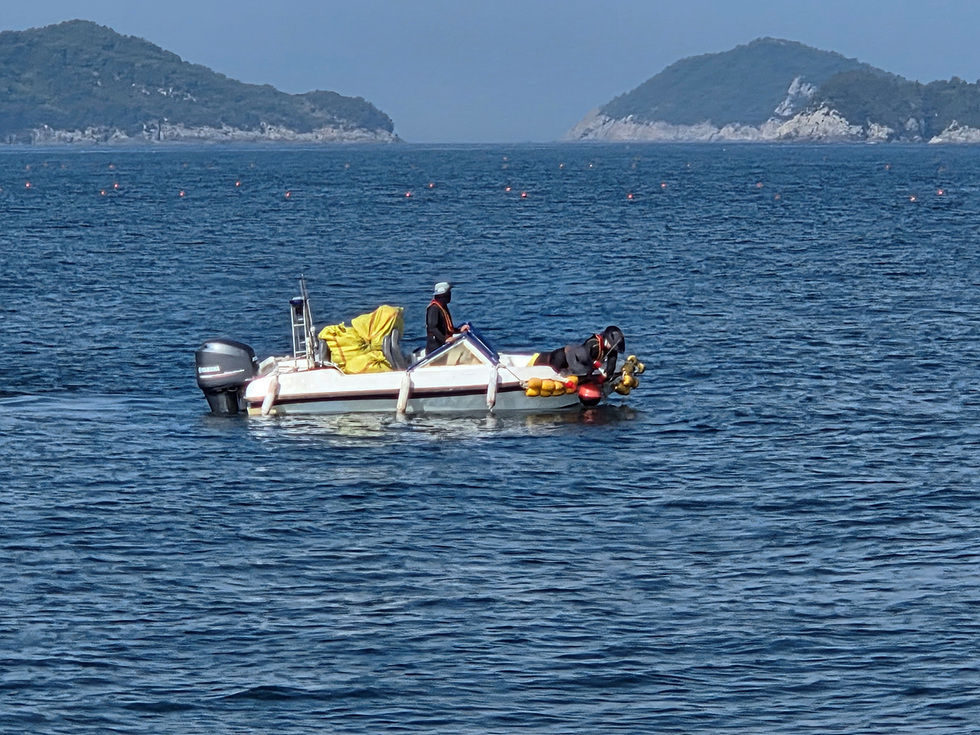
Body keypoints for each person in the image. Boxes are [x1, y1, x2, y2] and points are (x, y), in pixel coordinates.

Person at [534, 326, 625, 378]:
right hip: (562, 358)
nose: (612, 349)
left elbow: (612, 361)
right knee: (555, 368)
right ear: (606, 340)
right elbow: (583, 360)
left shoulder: (611, 349)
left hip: (577, 363)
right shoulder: (593, 345)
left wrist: (608, 373)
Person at [426, 281, 467, 354]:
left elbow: (446, 327)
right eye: (448, 293)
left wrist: (459, 330)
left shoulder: (443, 307)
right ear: (443, 295)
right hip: (436, 348)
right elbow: (432, 328)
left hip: (444, 346)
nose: (450, 295)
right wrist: (445, 339)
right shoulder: (434, 308)